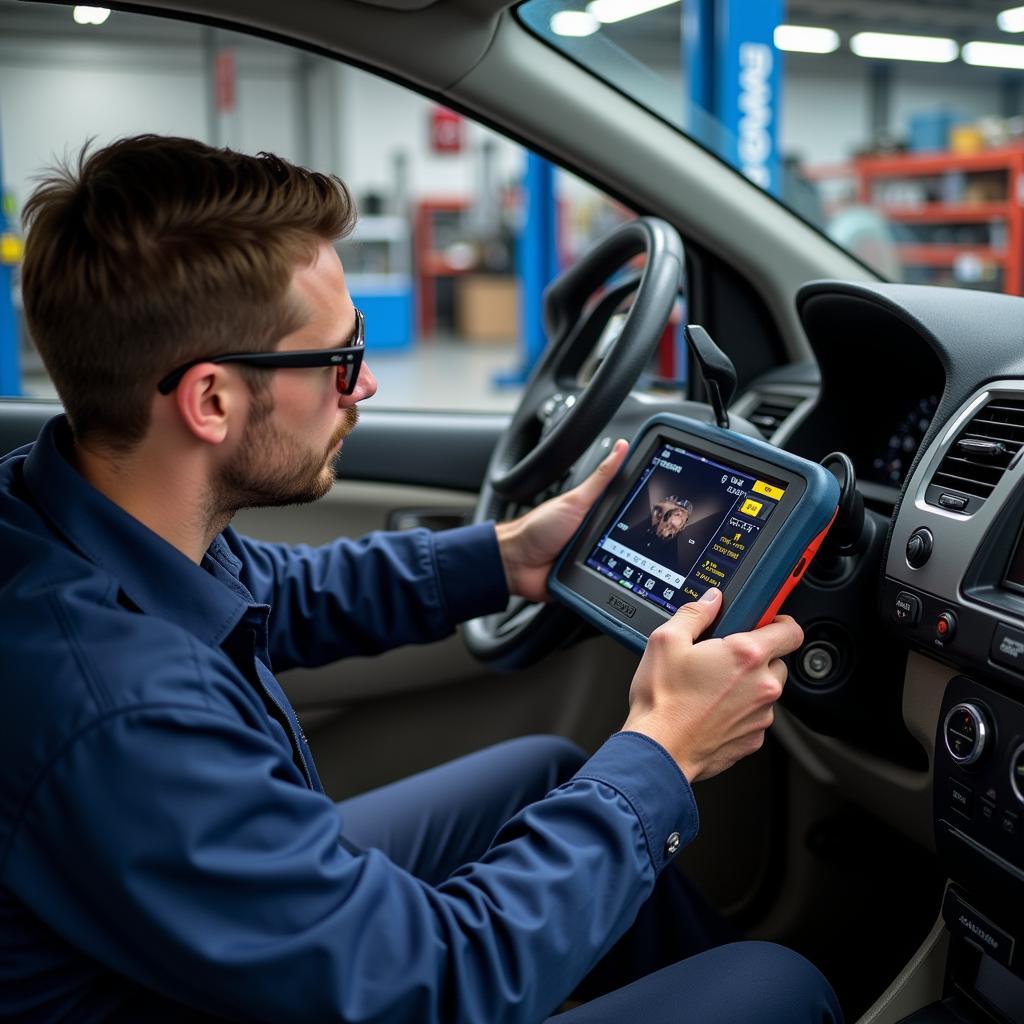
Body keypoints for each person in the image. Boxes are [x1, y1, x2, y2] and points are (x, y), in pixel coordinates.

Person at [0, 135, 842, 1023]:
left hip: (186, 950)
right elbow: (428, 986)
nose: (360, 387)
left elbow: (281, 593)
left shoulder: (68, 510)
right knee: (777, 988)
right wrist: (666, 751)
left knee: (548, 776)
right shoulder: (115, 712)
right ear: (210, 401)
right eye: (337, 358)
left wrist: (508, 554)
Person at [622, 494, 694, 567]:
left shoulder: (671, 556)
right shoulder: (638, 533)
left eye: (679, 515)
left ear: (683, 525)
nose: (673, 519)